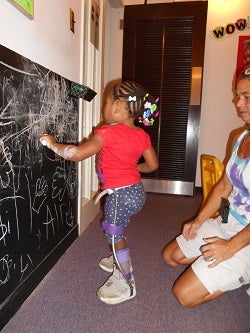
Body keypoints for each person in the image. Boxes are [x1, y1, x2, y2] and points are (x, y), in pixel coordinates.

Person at [40, 80, 159, 305]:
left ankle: (126, 281)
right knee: (119, 225)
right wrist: (132, 168)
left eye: (105, 102)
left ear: (116, 108)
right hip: (136, 193)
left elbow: (76, 153)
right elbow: (152, 165)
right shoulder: (142, 135)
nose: (104, 107)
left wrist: (53, 144)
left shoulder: (107, 132)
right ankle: (117, 256)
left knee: (114, 235)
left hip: (120, 196)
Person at [162, 68, 250, 307]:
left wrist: (230, 248)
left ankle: (243, 274)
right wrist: (199, 220)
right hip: (227, 222)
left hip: (246, 239)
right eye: (237, 95)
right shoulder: (239, 137)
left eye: (247, 97)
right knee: (170, 257)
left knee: (184, 295)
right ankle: (216, 267)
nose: (238, 103)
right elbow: (223, 186)